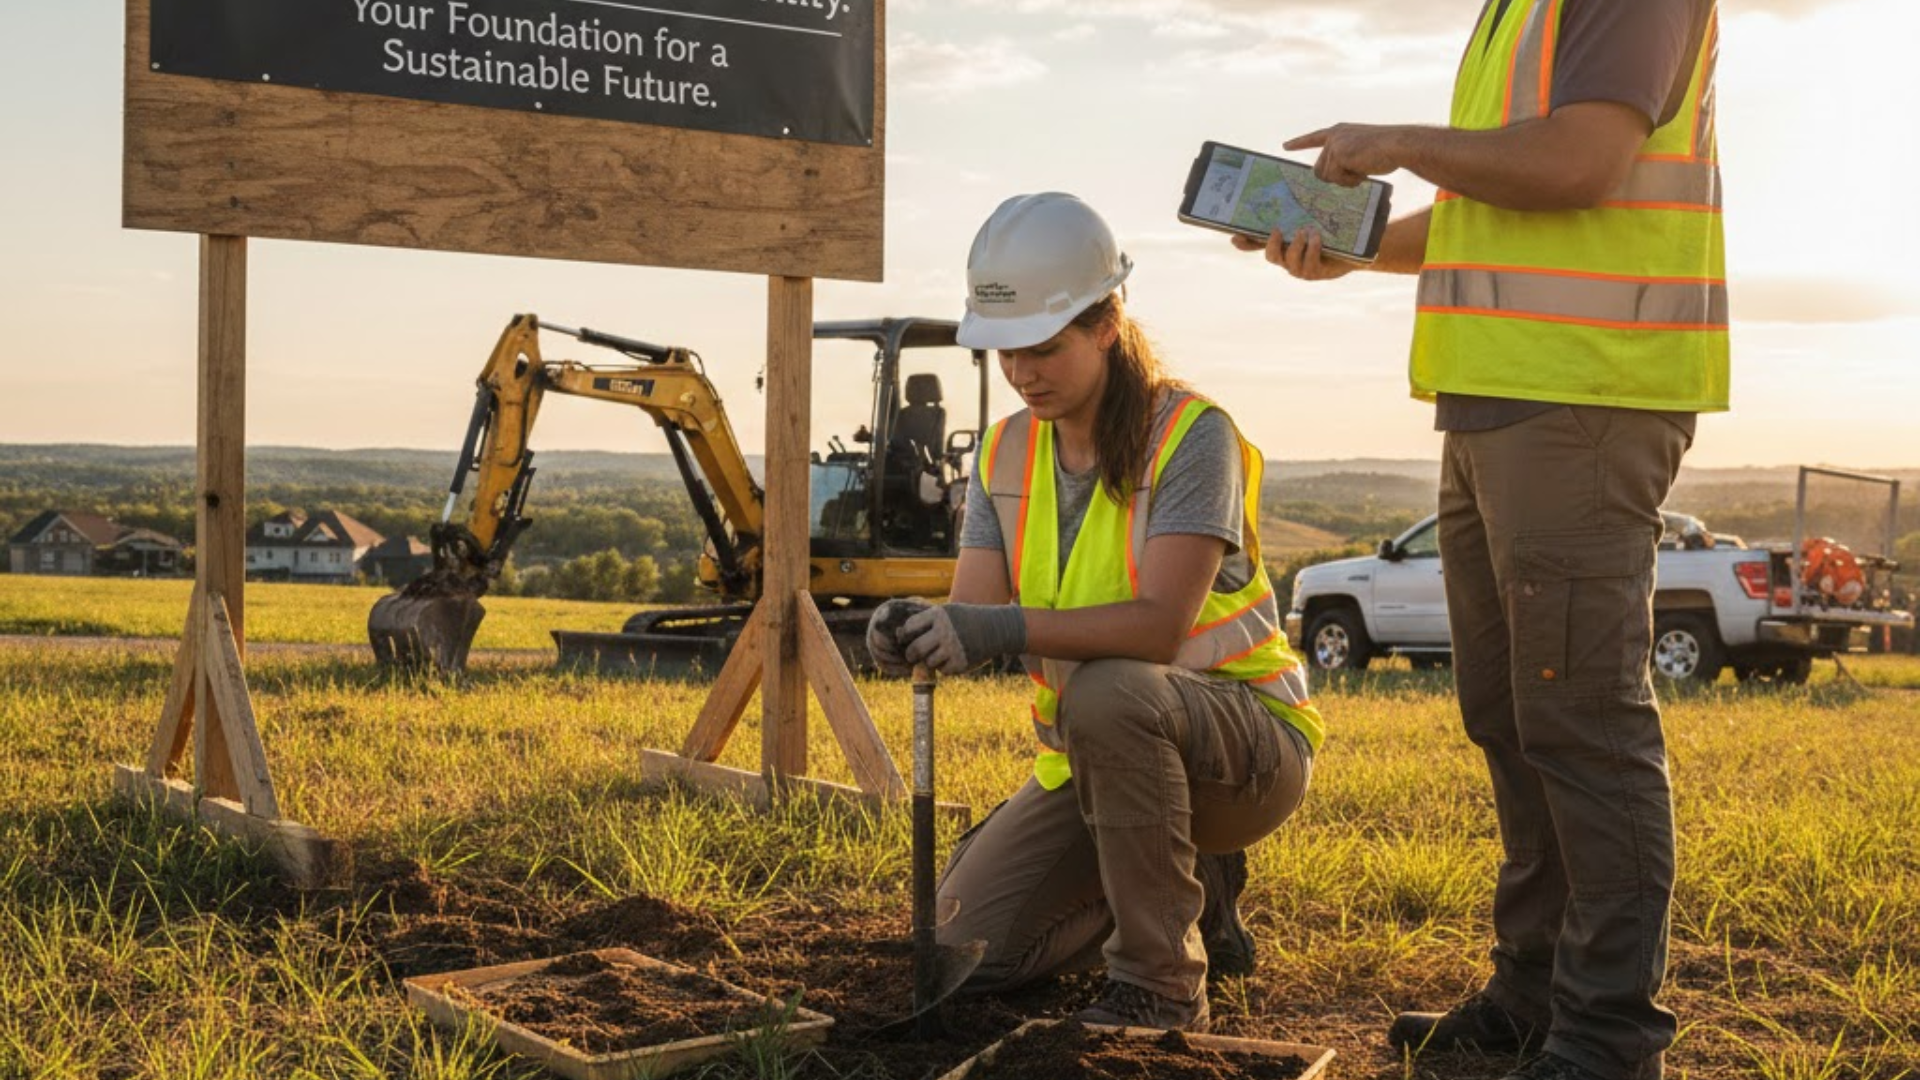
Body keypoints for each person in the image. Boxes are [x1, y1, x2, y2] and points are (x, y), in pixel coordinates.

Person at [1235, 1, 1727, 1078]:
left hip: (1582, 398)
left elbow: (1579, 165)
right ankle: (1535, 994)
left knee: (1584, 725)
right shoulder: (1519, 11)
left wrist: (1398, 142)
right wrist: (1354, 251)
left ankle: (1605, 1039)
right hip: (1495, 401)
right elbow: (1493, 212)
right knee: (1509, 712)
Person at [866, 192, 1325, 1033]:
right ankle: (1168, 886)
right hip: (1100, 765)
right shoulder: (1008, 449)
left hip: (1244, 750)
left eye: (1043, 349)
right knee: (968, 954)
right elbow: (972, 612)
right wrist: (920, 630)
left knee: (1112, 691)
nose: (1022, 372)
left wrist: (997, 630)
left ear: (1107, 323)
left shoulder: (1191, 435)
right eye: (1005, 353)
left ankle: (1160, 983)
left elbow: (1155, 628)